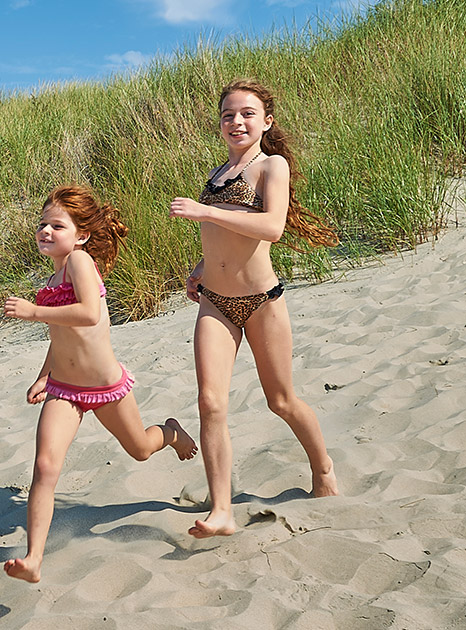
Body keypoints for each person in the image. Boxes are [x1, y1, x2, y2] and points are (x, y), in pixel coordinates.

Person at [168, 79, 340, 539]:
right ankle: (221, 509)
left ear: (266, 122)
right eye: (228, 115)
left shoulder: (271, 166)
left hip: (262, 301)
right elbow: (225, 238)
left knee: (280, 400)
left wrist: (206, 213)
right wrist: (201, 267)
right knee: (210, 403)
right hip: (215, 303)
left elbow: (271, 227)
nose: (236, 122)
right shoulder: (218, 173)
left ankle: (322, 468)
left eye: (246, 113)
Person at [0, 185, 198, 583]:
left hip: (106, 388)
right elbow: (63, 336)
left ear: (82, 234)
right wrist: (44, 375)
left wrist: (34, 311)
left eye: (57, 225)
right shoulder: (56, 273)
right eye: (42, 224)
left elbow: (90, 314)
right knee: (44, 467)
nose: (46, 231)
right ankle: (34, 558)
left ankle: (171, 432)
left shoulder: (79, 261)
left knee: (141, 449)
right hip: (65, 390)